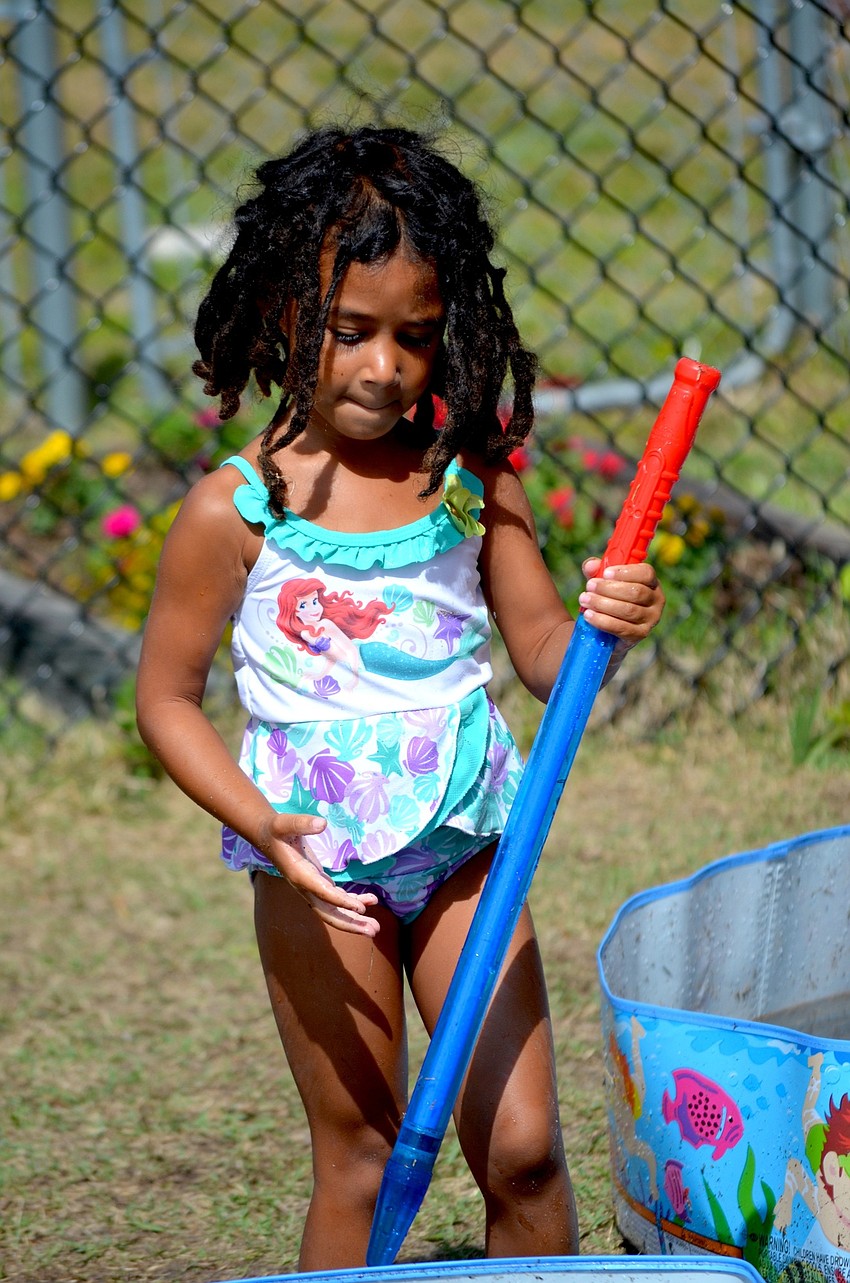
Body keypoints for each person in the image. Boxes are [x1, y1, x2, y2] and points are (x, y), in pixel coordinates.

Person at [136, 125, 665, 1269]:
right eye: (350, 331)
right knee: (364, 1156)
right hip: (317, 872)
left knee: (522, 1149)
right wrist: (257, 821)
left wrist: (601, 625)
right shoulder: (235, 514)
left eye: (416, 337)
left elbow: (539, 650)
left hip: (469, 851)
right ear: (283, 311)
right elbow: (166, 699)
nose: (384, 366)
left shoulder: (470, 480)